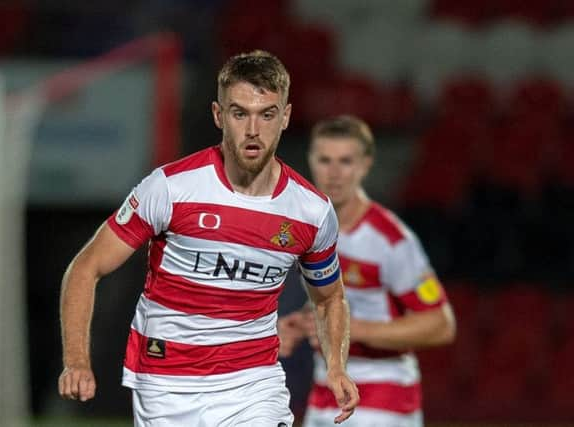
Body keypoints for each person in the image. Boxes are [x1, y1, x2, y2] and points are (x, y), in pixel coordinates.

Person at [57, 50, 359, 426]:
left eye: (266, 114)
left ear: (285, 117)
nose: (253, 129)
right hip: (166, 382)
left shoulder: (311, 212)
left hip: (253, 383)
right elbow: (85, 268)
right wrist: (76, 361)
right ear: (219, 116)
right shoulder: (170, 189)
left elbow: (330, 297)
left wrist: (336, 367)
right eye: (239, 113)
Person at [278, 115, 456, 427]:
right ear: (311, 161)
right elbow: (328, 298)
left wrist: (346, 328)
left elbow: (440, 325)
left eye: (345, 161)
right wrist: (300, 324)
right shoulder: (306, 229)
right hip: (324, 393)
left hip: (384, 397)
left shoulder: (391, 241)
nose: (334, 173)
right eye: (325, 160)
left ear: (365, 165)